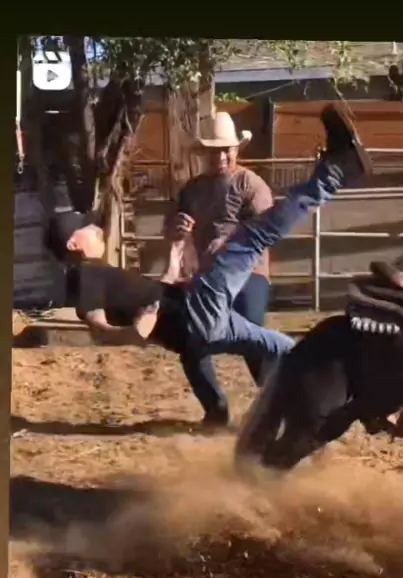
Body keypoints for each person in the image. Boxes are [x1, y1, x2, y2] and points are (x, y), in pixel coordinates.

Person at [45, 105, 372, 393]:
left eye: (226, 150)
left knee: (280, 345)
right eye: (85, 227)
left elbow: (156, 293)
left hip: (203, 311)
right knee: (254, 238)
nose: (95, 227)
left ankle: (315, 390)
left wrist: (174, 261)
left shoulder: (249, 183)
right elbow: (97, 324)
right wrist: (133, 333)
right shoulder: (87, 275)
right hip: (202, 304)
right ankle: (335, 173)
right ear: (74, 243)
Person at [164, 111, 274, 428]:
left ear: (237, 149)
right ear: (205, 153)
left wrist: (230, 240)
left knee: (252, 331)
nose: (221, 157)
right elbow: (170, 229)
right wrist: (176, 228)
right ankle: (216, 410)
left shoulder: (251, 184)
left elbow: (267, 228)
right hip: (209, 277)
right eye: (214, 151)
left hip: (248, 272)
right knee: (190, 339)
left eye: (226, 150)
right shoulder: (192, 190)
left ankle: (277, 403)